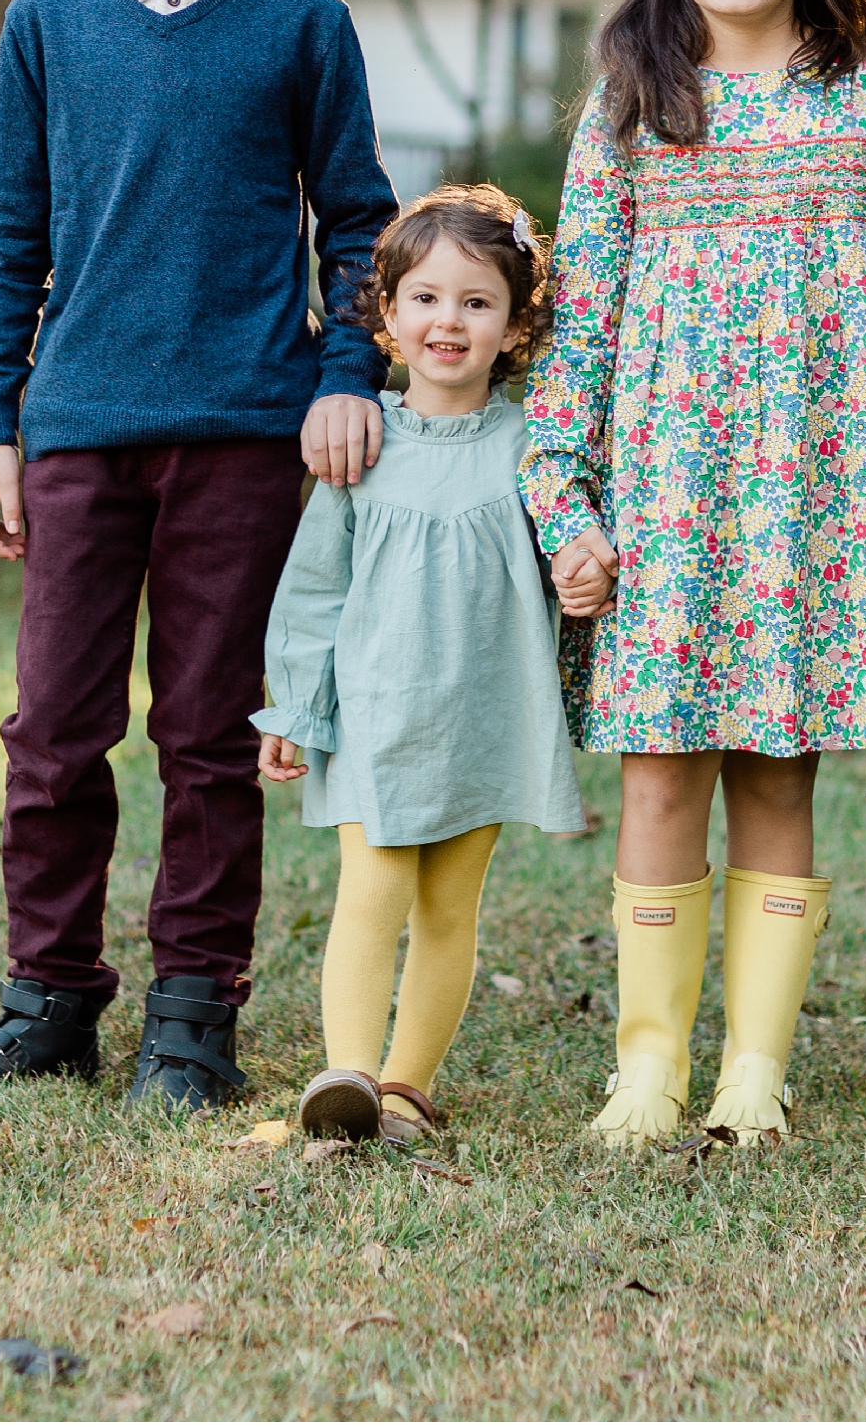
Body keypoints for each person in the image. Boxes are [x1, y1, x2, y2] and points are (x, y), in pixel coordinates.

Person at [0, 0, 397, 1111]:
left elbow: (360, 228)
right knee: (54, 731)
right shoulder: (49, 18)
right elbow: (11, 230)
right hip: (78, 427)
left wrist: (341, 381)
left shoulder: (305, 22)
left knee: (211, 737)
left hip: (249, 437)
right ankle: (50, 1001)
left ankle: (194, 1019)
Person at [520, 0, 866, 1147]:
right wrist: (569, 499)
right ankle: (648, 1070)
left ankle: (752, 1074)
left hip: (816, 501)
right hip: (669, 495)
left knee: (780, 772)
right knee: (661, 772)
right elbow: (582, 323)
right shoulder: (632, 106)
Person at [256, 186, 584, 1145]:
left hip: (486, 711)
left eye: (477, 302)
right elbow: (314, 591)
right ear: (388, 315)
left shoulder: (533, 449)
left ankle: (405, 1088)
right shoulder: (366, 440)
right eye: (428, 298)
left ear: (515, 323)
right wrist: (294, 710)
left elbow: (568, 563)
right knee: (373, 886)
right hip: (377, 712)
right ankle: (347, 1074)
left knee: (449, 904)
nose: (450, 320)